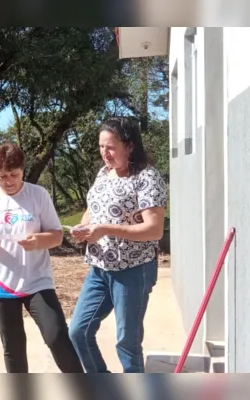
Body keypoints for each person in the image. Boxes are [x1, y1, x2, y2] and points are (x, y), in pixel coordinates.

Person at [0, 143, 84, 373]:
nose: (9, 181)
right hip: (1, 284)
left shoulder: (38, 195)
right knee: (13, 347)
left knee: (56, 336)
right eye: (2, 176)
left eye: (14, 175)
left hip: (37, 281)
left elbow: (57, 236)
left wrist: (38, 241)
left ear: (23, 170)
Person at [68, 117, 167, 373]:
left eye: (110, 147)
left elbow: (154, 229)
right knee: (78, 331)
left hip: (133, 270)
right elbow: (93, 209)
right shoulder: (104, 172)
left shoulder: (147, 177)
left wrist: (106, 230)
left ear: (130, 146)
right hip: (99, 269)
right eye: (101, 147)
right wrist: (83, 226)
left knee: (127, 342)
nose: (105, 153)